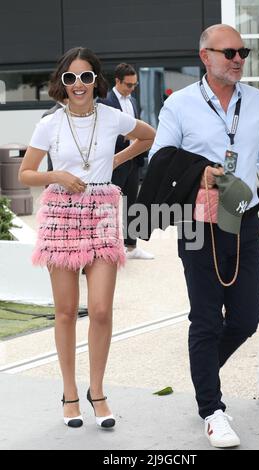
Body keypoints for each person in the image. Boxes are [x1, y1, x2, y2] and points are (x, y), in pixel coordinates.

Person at [148, 24, 259, 448]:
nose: (238, 58)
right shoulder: (181, 105)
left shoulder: (257, 100)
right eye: (229, 52)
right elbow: (160, 158)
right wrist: (200, 171)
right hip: (198, 223)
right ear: (205, 56)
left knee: (246, 318)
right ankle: (212, 408)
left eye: (242, 51)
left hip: (242, 217)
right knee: (206, 319)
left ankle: (202, 373)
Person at [19, 47, 155, 429]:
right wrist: (57, 176)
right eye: (70, 78)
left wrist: (115, 161)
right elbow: (25, 174)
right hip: (60, 213)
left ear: (97, 80)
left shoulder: (112, 116)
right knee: (65, 312)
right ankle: (69, 393)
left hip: (101, 213)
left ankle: (98, 391)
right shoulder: (49, 123)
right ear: (61, 84)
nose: (78, 84)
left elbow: (147, 137)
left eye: (85, 77)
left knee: (100, 310)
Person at [99, 63, 154, 260]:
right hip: (114, 161)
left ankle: (131, 246)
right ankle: (108, 247)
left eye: (134, 85)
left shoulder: (134, 101)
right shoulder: (104, 101)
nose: (132, 89)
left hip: (134, 160)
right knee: (110, 205)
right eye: (128, 85)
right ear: (117, 81)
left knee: (133, 203)